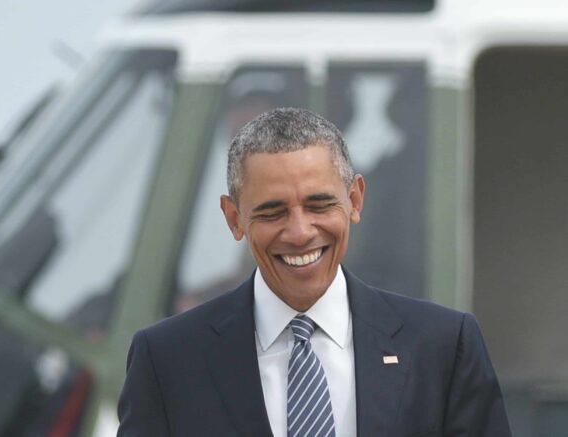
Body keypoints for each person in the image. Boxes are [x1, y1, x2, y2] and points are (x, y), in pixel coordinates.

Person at [116, 108, 511, 436]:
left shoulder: (442, 347)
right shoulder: (167, 360)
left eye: (319, 205)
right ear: (234, 218)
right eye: (272, 212)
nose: (301, 232)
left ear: (354, 200)